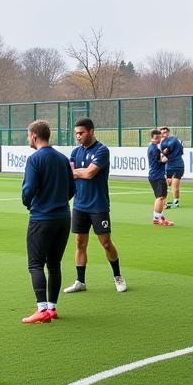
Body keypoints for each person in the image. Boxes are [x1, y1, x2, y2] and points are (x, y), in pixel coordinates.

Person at [20, 119, 75, 324]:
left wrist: (29, 203)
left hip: (42, 218)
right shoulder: (62, 158)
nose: (28, 139)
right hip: (63, 217)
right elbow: (72, 189)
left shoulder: (35, 159)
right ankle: (52, 308)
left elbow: (29, 189)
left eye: (28, 136)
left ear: (34, 136)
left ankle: (41, 309)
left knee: (35, 264)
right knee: (54, 264)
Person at [65, 117, 127, 293]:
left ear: (91, 131)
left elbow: (90, 173)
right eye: (76, 133)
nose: (78, 136)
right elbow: (72, 174)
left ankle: (117, 276)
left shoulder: (102, 150)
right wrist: (79, 173)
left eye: (81, 133)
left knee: (106, 243)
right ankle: (80, 281)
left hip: (98, 205)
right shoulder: (75, 152)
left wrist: (77, 173)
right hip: (79, 205)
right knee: (79, 243)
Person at [147, 128, 174, 225]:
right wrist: (166, 157)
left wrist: (163, 153)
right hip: (158, 175)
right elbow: (161, 161)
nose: (158, 140)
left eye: (159, 138)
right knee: (161, 197)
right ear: (152, 138)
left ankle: (159, 217)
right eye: (156, 138)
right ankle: (158, 218)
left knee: (160, 197)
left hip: (154, 175)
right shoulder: (154, 149)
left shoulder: (152, 147)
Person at [159, 125, 184, 208]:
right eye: (162, 133)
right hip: (169, 166)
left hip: (178, 165)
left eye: (165, 132)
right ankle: (164, 202)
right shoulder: (161, 143)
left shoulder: (173, 139)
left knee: (175, 185)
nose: (164, 134)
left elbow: (168, 148)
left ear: (168, 132)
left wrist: (165, 152)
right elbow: (163, 155)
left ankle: (176, 202)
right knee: (167, 184)